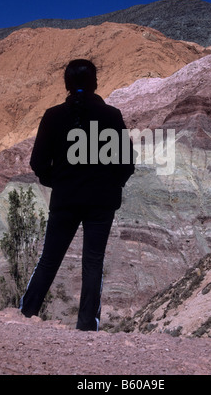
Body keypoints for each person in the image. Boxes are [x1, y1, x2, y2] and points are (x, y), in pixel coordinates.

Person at [19, 59, 135, 331]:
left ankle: (26, 314)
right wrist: (112, 184)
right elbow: (127, 162)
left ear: (67, 84)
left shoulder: (53, 116)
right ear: (95, 83)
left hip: (66, 198)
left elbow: (37, 163)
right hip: (102, 201)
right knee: (93, 262)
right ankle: (86, 326)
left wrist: (57, 182)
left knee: (49, 259)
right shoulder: (111, 116)